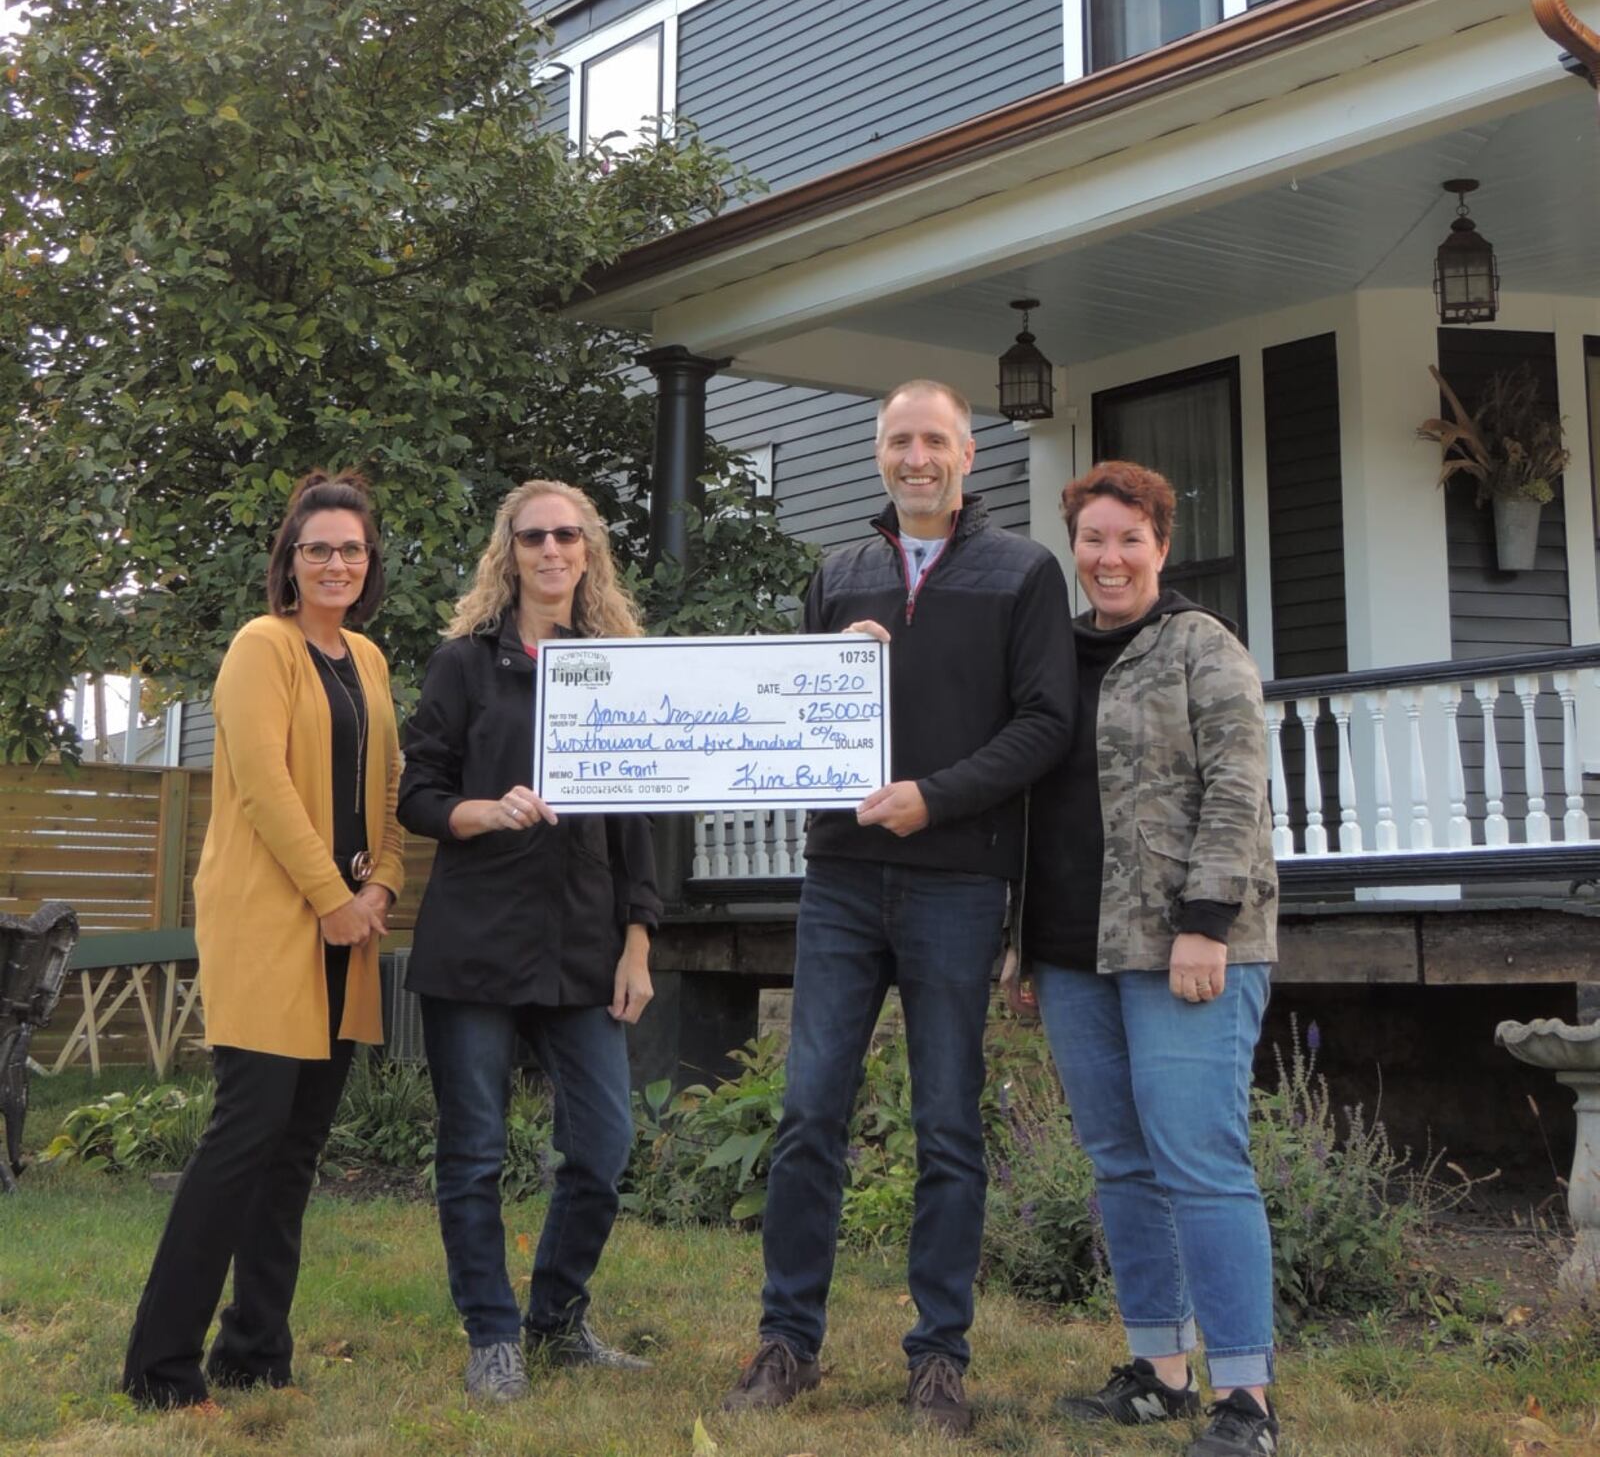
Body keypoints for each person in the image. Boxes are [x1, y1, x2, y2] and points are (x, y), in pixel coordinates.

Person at [723, 380, 1075, 1439]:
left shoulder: (1022, 572)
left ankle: (939, 1359)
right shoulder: (839, 573)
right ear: (878, 454)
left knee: (946, 1125)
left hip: (959, 881)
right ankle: (787, 1340)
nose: (914, 457)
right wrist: (831, 676)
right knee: (807, 1116)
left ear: (967, 453)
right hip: (837, 876)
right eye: (897, 441)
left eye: (933, 439)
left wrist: (938, 795)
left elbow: (1045, 722)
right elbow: (795, 714)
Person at [1005, 458, 1281, 1457]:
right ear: (1071, 546)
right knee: (1121, 1165)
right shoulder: (1050, 655)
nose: (1108, 556)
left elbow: (1237, 786)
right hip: (1074, 950)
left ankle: (1245, 1397)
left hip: (1188, 946)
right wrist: (1024, 949)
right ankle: (1159, 1372)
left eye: (1129, 538)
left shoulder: (1202, 646)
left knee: (1200, 1161)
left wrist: (1205, 919)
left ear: (1160, 546)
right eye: (1092, 538)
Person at [123, 471, 404, 1410]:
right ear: (288, 559)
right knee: (243, 1138)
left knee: (296, 1149)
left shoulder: (366, 658)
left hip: (345, 929)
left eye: (351, 549)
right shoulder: (261, 646)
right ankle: (161, 1364)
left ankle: (255, 1350)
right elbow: (264, 789)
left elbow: (390, 789)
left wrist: (384, 885)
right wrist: (332, 897)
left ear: (370, 564)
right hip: (270, 921)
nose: (335, 562)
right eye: (317, 547)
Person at [397, 480, 660, 1406]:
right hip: (474, 944)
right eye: (534, 536)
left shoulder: (619, 667)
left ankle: (556, 1317)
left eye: (569, 535)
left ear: (589, 550)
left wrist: (638, 940)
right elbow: (417, 792)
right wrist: (480, 809)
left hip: (585, 945)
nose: (552, 549)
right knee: (473, 1151)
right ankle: (493, 1334)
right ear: (509, 551)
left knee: (603, 1144)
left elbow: (639, 820)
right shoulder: (462, 664)